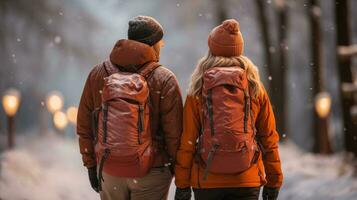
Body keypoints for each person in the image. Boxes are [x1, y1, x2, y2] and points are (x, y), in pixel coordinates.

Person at [174, 19, 283, 200]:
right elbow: (269, 137)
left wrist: (182, 183)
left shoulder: (199, 86)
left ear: (211, 49)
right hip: (246, 179)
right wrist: (274, 180)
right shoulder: (254, 85)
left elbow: (188, 140)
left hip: (207, 180)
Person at [77, 15, 183, 200]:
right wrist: (181, 174)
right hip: (152, 172)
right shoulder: (165, 79)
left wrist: (91, 165)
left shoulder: (97, 75)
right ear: (152, 44)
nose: (162, 46)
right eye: (160, 42)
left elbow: (85, 125)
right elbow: (175, 134)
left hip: (109, 169)